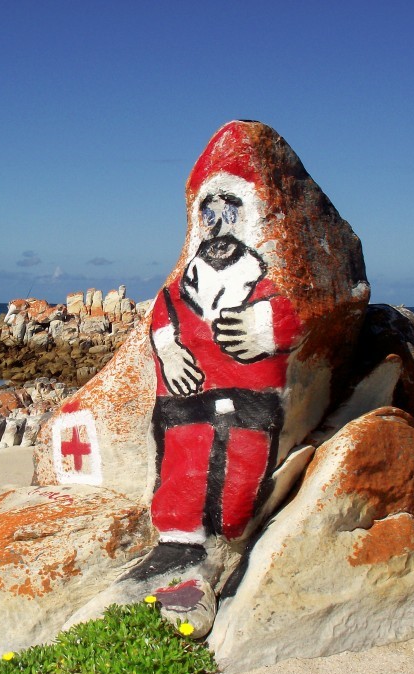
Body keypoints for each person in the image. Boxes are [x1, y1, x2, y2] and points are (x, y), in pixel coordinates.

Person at [125, 124, 302, 635]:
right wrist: (167, 348)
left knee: (236, 488)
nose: (219, 224)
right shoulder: (182, 289)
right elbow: (164, 313)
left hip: (249, 406)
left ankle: (228, 540)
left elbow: (292, 317)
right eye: (209, 212)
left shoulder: (263, 286)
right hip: (185, 408)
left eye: (231, 210)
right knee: (183, 468)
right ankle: (180, 541)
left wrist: (265, 328)